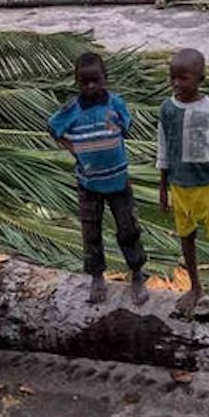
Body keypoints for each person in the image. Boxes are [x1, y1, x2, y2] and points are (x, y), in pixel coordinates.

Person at [48, 51, 148, 305]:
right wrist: (74, 148)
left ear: (105, 79)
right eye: (85, 82)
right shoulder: (71, 110)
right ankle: (96, 276)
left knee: (128, 229)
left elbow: (125, 128)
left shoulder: (116, 104)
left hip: (118, 181)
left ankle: (136, 273)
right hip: (88, 183)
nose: (91, 86)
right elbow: (53, 127)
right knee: (91, 232)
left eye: (96, 80)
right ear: (77, 82)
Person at [156, 47, 209, 318]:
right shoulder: (167, 109)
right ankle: (195, 287)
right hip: (179, 187)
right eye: (173, 78)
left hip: (208, 187)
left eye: (184, 78)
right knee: (186, 237)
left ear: (200, 79)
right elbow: (163, 149)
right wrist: (163, 187)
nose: (176, 84)